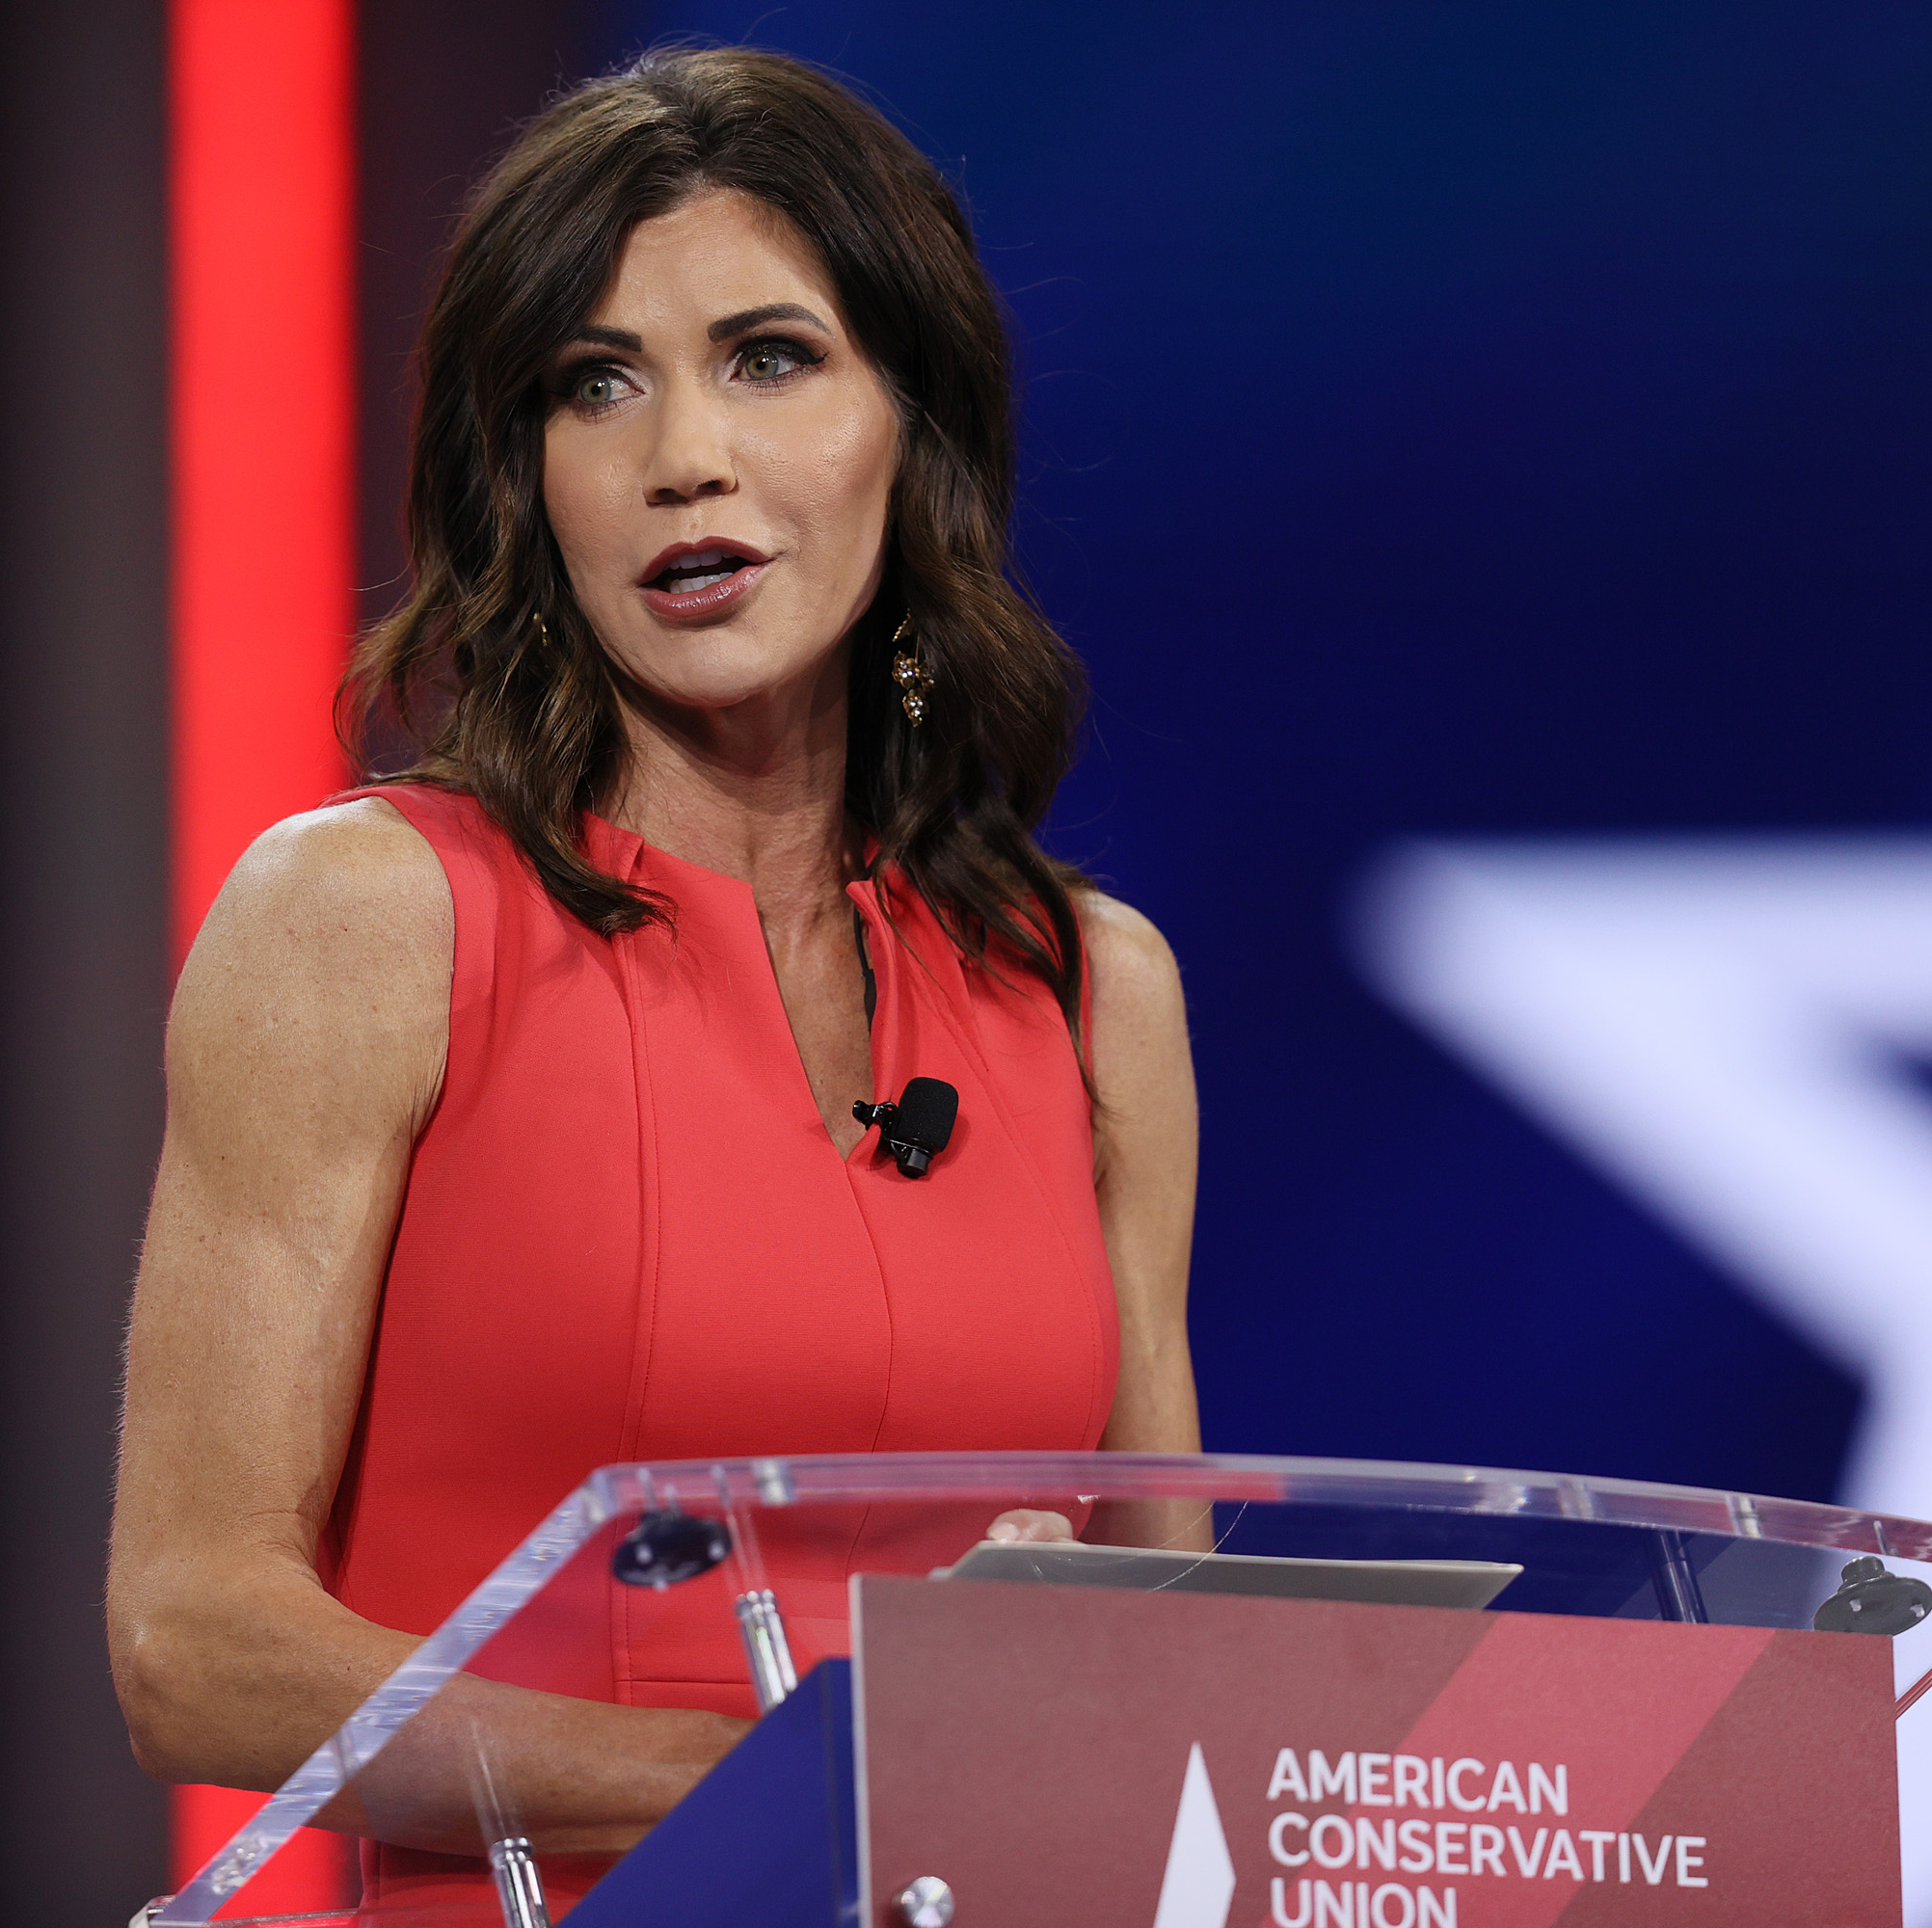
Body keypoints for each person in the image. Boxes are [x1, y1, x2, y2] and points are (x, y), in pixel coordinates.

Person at [108, 41, 1199, 1913]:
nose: (683, 452)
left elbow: (1173, 1628)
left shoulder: (1088, 987)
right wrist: (780, 1803)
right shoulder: (368, 919)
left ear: (907, 427)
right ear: (524, 477)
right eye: (595, 385)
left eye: (768, 358)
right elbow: (192, 1639)